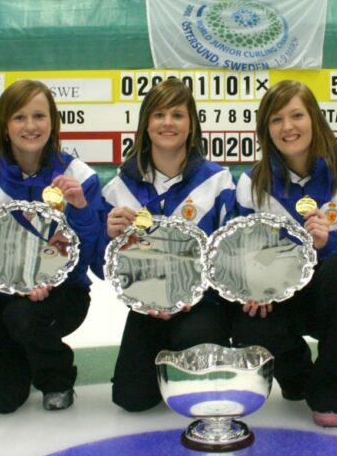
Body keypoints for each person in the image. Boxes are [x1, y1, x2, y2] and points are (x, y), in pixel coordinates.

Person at [230, 80, 337, 428]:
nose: (288, 127)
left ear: (314, 119)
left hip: (329, 301)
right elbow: (237, 254)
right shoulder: (251, 184)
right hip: (280, 301)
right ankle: (295, 366)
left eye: (297, 115)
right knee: (242, 318)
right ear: (264, 130)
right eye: (276, 119)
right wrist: (251, 284)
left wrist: (329, 243)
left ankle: (330, 380)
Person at [0, 80, 103, 413]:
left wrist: (80, 208)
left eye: (39, 116)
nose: (30, 126)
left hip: (64, 294)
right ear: (5, 127)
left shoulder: (77, 176)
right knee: (1, 401)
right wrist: (15, 284)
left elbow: (90, 252)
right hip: (4, 295)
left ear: (52, 123)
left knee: (24, 317)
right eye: (19, 117)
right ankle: (27, 349)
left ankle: (58, 378)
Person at [101, 77, 236, 412]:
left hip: (202, 306)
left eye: (178, 115)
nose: (168, 123)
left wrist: (201, 294)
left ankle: (202, 354)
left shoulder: (217, 181)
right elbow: (99, 267)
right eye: (159, 114)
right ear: (146, 124)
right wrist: (109, 239)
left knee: (197, 391)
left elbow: (230, 258)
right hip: (147, 307)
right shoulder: (119, 187)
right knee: (131, 400)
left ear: (191, 125)